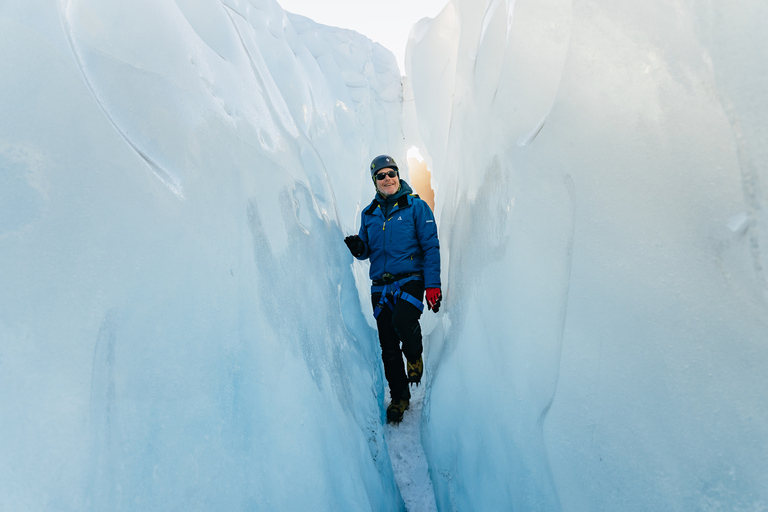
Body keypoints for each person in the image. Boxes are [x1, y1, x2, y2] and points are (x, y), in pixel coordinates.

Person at [344, 155, 442, 423]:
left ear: (398, 175)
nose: (387, 178)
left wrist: (433, 284)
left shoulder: (416, 207)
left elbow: (430, 247)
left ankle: (414, 356)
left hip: (411, 277)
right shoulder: (369, 214)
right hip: (381, 286)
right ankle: (399, 397)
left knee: (403, 319)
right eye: (381, 175)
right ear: (374, 181)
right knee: (387, 343)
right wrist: (359, 249)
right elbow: (367, 250)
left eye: (391, 173)